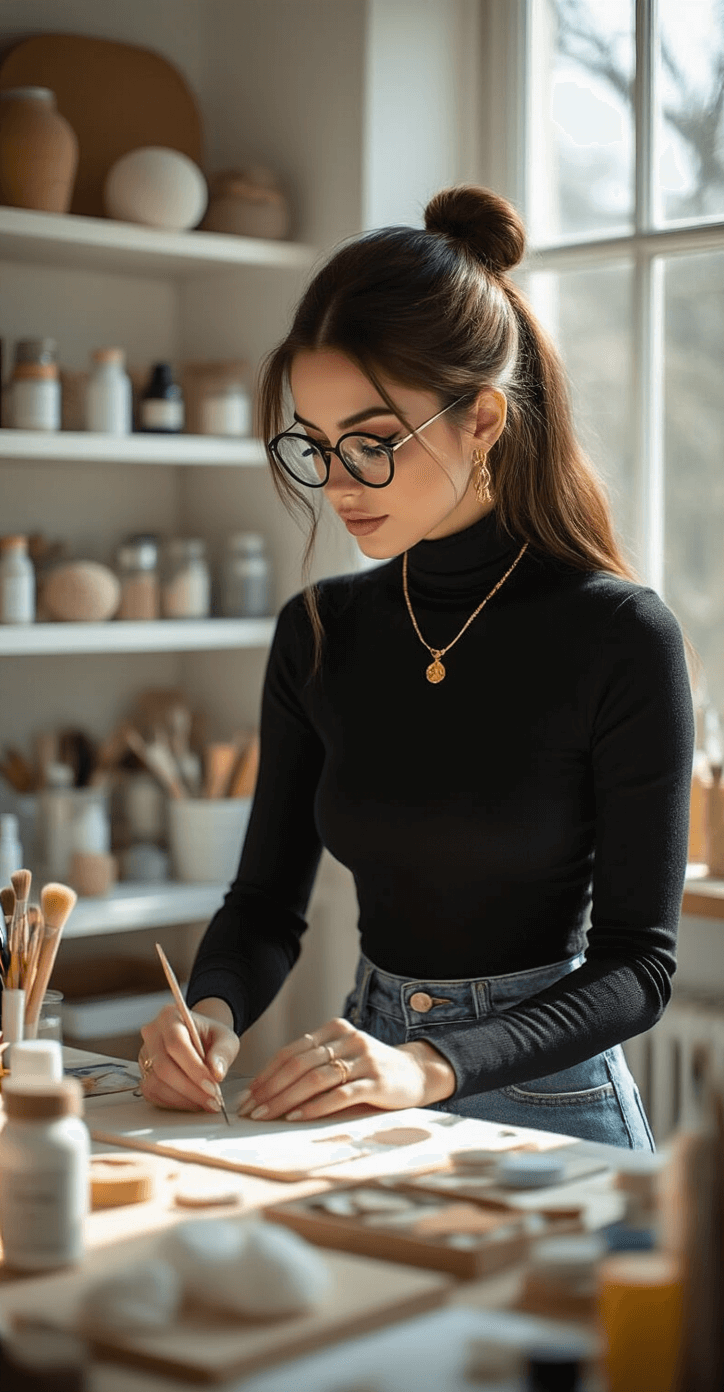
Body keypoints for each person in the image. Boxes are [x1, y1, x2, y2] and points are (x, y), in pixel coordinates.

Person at [138, 185, 694, 1148]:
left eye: (374, 443)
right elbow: (266, 903)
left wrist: (428, 1066)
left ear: (481, 419)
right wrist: (212, 1012)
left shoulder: (619, 635)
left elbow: (638, 968)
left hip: (549, 1108)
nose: (339, 485)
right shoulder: (318, 632)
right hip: (361, 1085)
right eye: (316, 446)